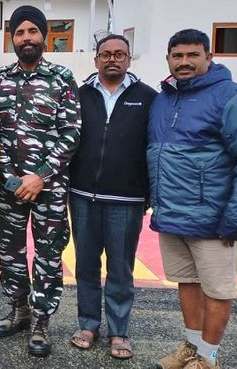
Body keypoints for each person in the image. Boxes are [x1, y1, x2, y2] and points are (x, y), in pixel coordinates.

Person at [148, 29, 237, 369]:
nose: (184, 62)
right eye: (177, 55)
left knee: (217, 290)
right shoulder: (163, 98)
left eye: (193, 55)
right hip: (172, 215)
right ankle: (191, 346)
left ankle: (208, 357)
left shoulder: (232, 97)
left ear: (208, 57)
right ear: (169, 59)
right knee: (188, 282)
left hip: (214, 219)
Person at [0, 5, 81, 357]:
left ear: (43, 36)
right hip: (9, 185)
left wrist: (39, 176)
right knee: (11, 252)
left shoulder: (61, 78)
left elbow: (71, 133)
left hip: (50, 186)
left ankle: (42, 319)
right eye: (20, 32)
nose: (26, 38)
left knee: (48, 253)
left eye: (32, 31)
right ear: (12, 38)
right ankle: (19, 309)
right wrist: (12, 178)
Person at [68, 33, 157, 360]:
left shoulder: (148, 98)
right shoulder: (79, 95)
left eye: (119, 54)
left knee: (120, 268)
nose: (112, 59)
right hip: (81, 196)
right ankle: (88, 324)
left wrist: (149, 194)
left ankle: (119, 331)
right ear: (96, 60)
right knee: (86, 266)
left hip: (127, 199)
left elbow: (154, 148)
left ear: (129, 59)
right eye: (106, 54)